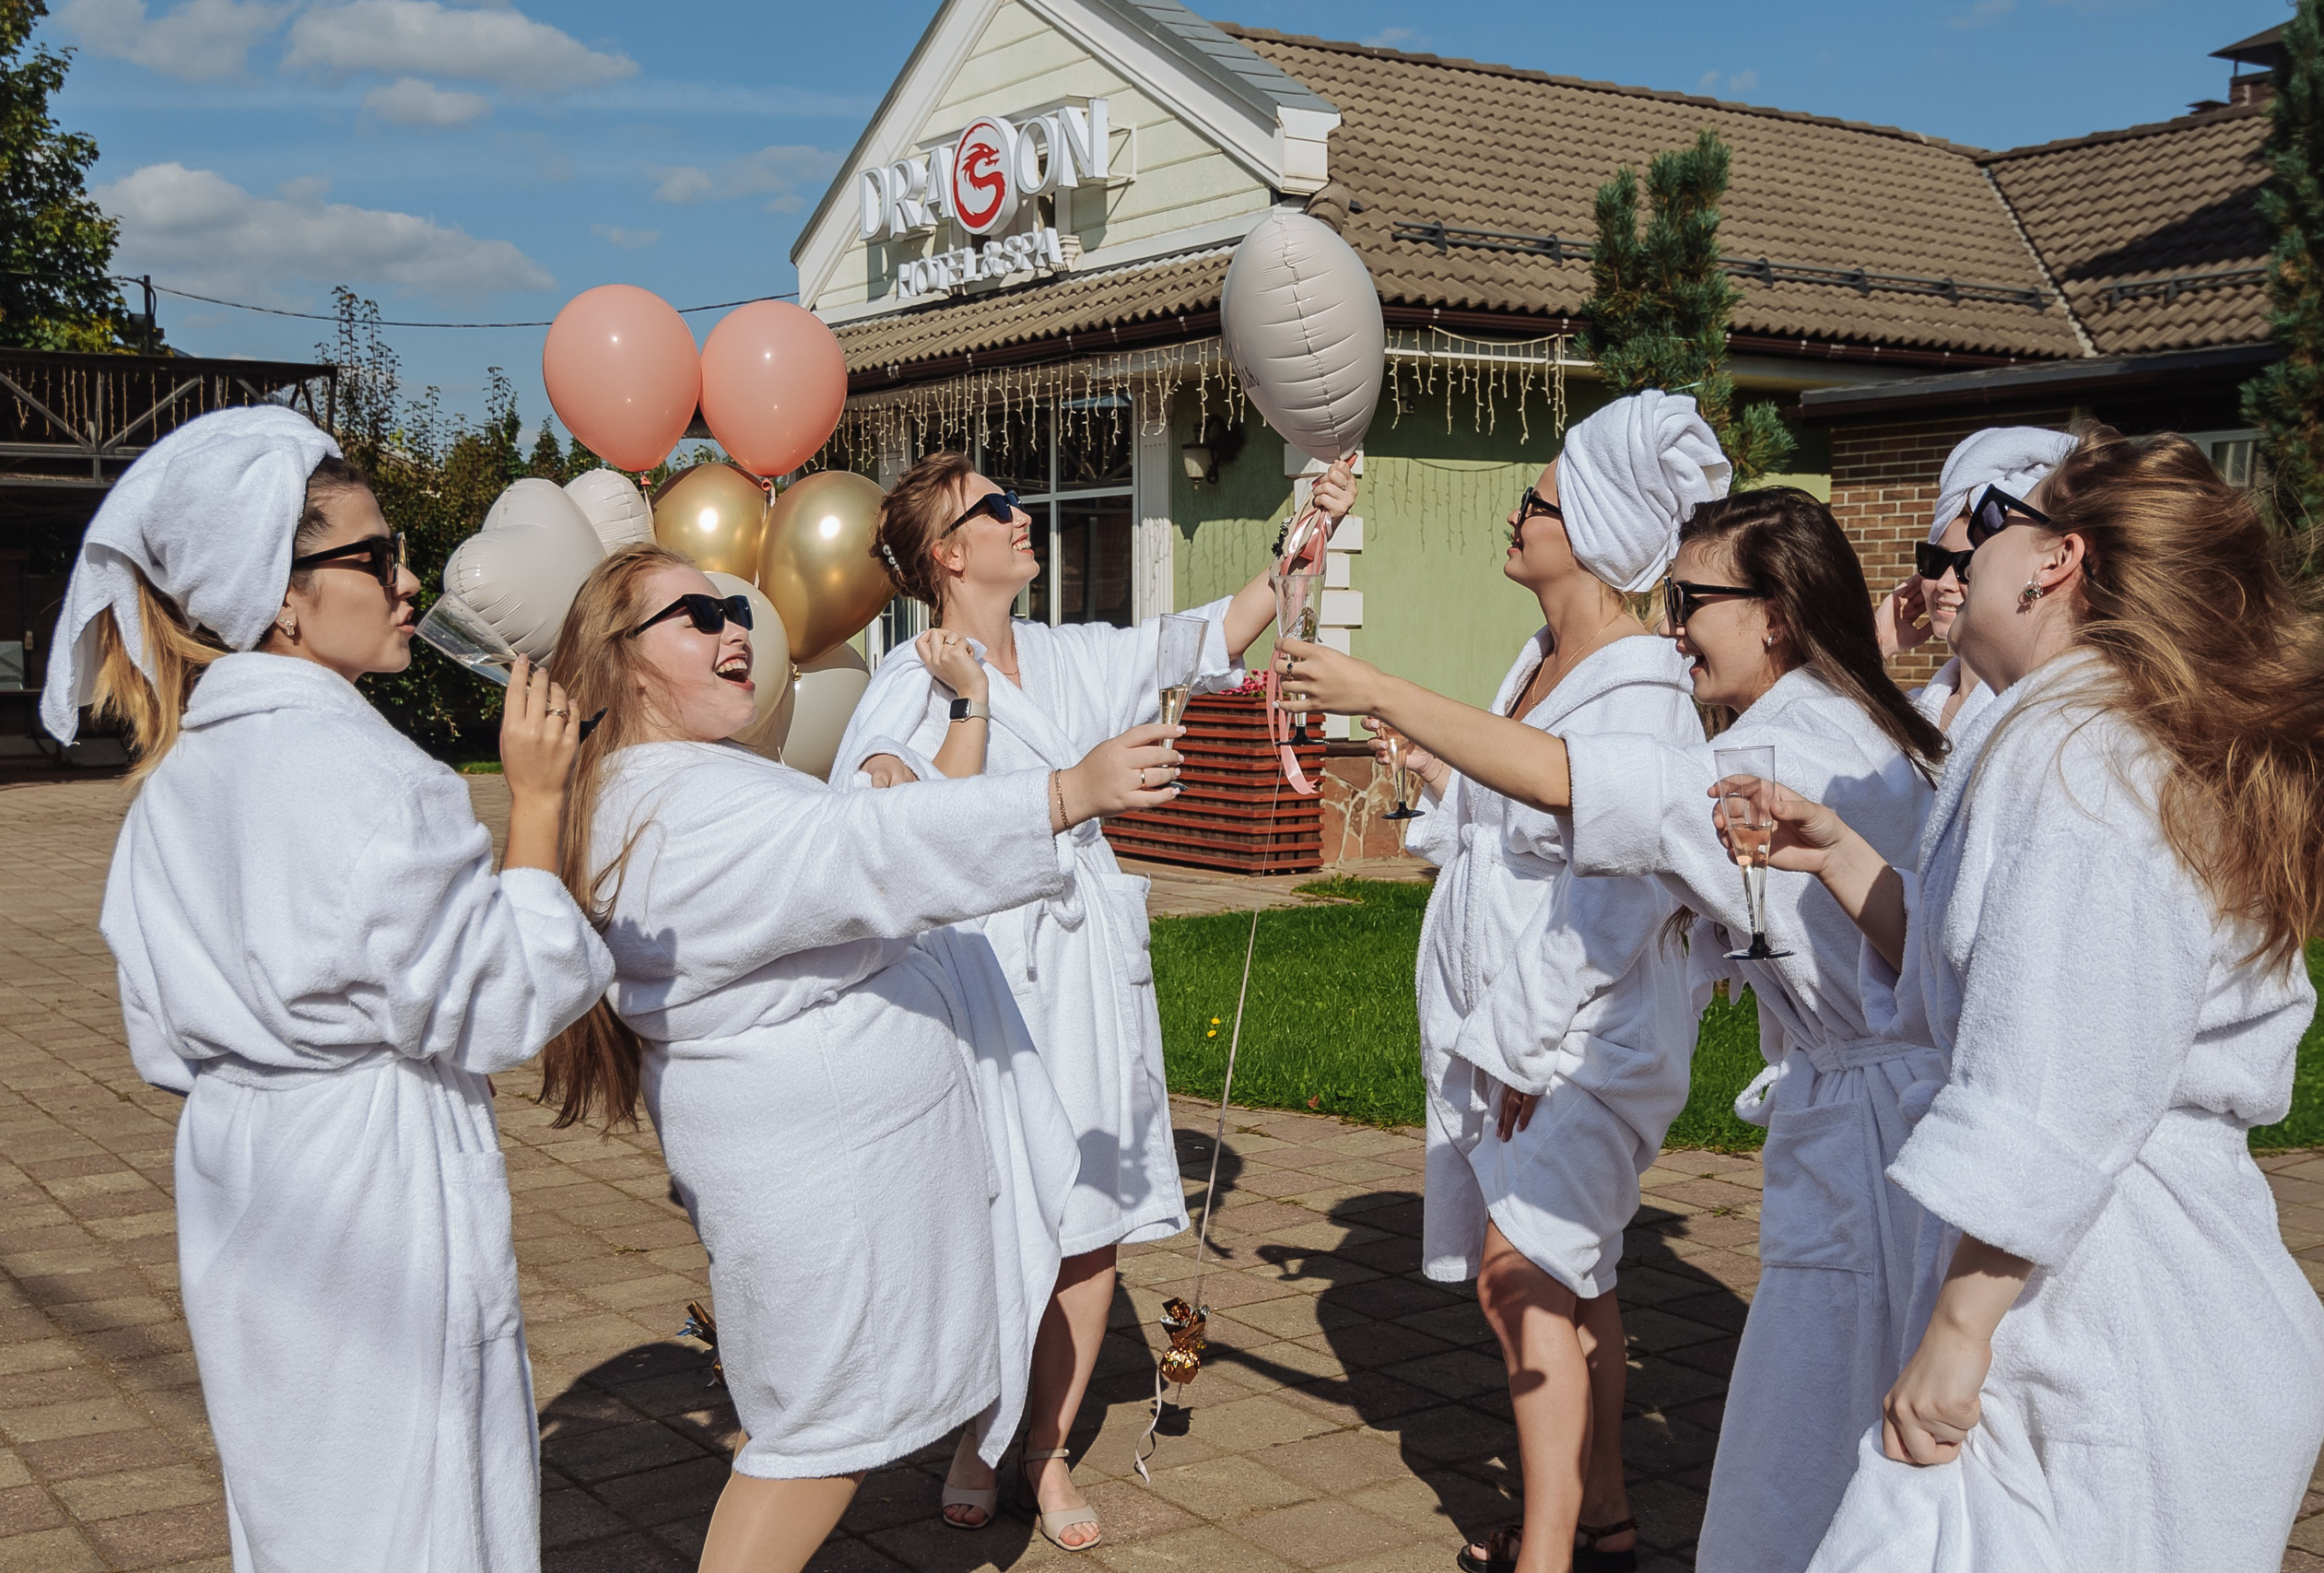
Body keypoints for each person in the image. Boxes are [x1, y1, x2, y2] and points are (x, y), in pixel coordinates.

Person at [1275, 482, 1947, 1573]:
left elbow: (1567, 783)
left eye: (1692, 599)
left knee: (1814, 1449)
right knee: (1848, 1433)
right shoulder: (1846, 719)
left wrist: (1372, 688)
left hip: (1871, 1134)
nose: (1672, 623)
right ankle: (1602, 1525)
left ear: (1773, 615)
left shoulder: (1771, 751)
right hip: (1867, 1112)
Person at [1714, 430, 2324, 1573]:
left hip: (2122, 1327)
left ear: (2056, 560)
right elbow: (2008, 983)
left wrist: (1958, 1331)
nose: (1951, 560)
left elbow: (2063, 1069)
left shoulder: (2087, 759)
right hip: (2081, 1289)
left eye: (1981, 527)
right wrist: (1847, 857)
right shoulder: (2070, 739)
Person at [41, 406, 614, 1573]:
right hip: (371, 1184)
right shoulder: (367, 777)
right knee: (415, 1507)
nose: (407, 584)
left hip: (241, 1170)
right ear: (282, 596)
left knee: (302, 1505)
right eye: (375, 556)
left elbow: (157, 1031)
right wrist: (541, 807)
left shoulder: (177, 779)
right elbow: (498, 1003)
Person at [540, 544, 1184, 1573]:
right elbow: (859, 855)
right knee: (812, 1449)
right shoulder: (677, 803)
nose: (734, 627)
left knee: (794, 1428)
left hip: (813, 1157)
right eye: (696, 617)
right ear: (620, 664)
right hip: (822, 1174)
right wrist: (1062, 793)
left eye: (732, 607)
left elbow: (852, 842)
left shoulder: (686, 785)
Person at [828, 449, 1357, 1548]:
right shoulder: (908, 676)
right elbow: (887, 821)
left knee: (1087, 1228)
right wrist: (922, 767)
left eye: (1018, 502)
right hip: (987, 983)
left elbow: (1203, 639)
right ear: (948, 552)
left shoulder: (1068, 655)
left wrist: (1305, 527)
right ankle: (980, 1429)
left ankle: (1046, 1447)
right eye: (997, 508)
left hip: (1082, 972)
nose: (1023, 517)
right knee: (988, 1214)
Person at [1378, 394, 1719, 1573]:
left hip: (1580, 1032)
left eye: (1537, 500)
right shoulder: (1539, 659)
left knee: (1517, 1278)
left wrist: (1519, 1047)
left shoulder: (1638, 690)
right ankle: (1606, 1519)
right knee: (1582, 1279)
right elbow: (1500, 830)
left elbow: (1615, 900)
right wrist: (1434, 780)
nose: (1514, 515)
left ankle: (1550, 1554)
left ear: (1594, 529)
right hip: (1505, 1022)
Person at [1876, 428, 2074, 734]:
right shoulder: (1917, 708)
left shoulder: (2050, 716)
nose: (1944, 583)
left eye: (1968, 563)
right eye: (1935, 560)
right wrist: (1878, 644)